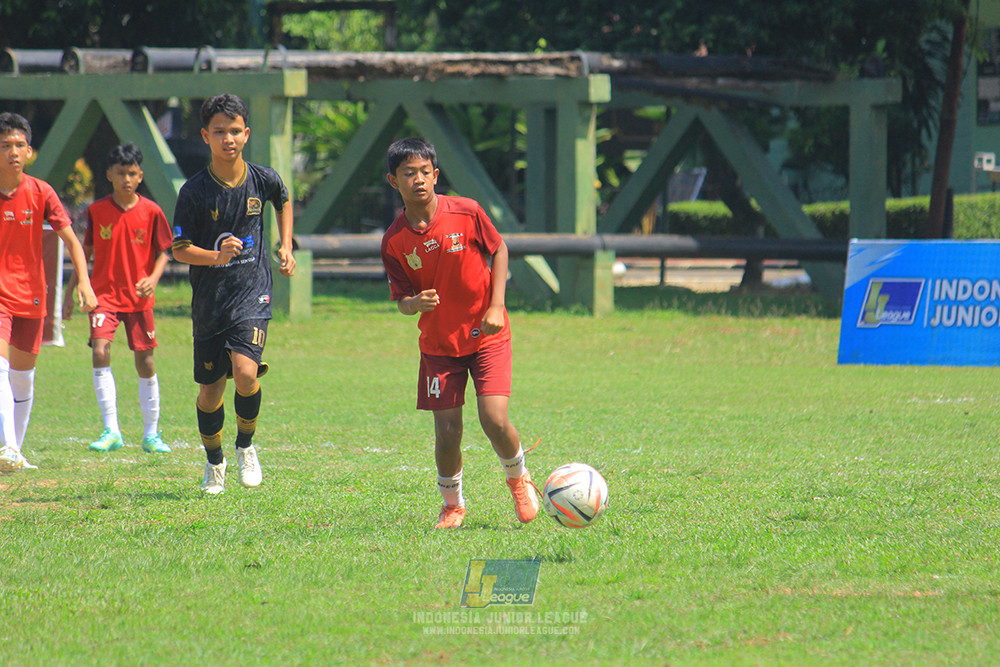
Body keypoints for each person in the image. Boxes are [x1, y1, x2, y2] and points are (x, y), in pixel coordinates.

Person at [380, 137, 538, 529]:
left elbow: (499, 249)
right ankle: (453, 505)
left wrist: (497, 305)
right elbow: (400, 299)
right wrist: (414, 304)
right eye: (407, 174)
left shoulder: (466, 212)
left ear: (435, 175)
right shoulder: (394, 241)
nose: (418, 180)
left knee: (494, 419)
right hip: (438, 346)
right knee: (448, 431)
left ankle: (519, 478)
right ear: (393, 181)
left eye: (424, 172)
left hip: (486, 336)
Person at [171, 94, 295, 494]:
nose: (229, 139)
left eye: (236, 131)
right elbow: (179, 249)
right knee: (210, 393)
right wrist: (215, 255)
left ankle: (246, 446)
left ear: (247, 134)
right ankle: (214, 463)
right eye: (220, 131)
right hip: (210, 301)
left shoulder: (263, 178)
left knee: (245, 372)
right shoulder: (193, 192)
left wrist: (286, 245)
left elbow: (284, 199)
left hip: (252, 293)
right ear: (206, 136)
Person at [0, 111, 98, 472]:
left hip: (31, 294)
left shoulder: (41, 192)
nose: (13, 151)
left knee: (22, 378)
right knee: (0, 366)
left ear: (30, 151)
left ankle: (16, 454)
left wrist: (84, 283)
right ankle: (8, 447)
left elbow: (71, 239)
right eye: (5, 145)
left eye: (19, 145)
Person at [64, 143, 172, 454]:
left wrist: (152, 279)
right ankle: (111, 429)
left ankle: (151, 434)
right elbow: (83, 254)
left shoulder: (152, 211)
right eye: (121, 173)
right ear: (110, 174)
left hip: (138, 299)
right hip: (104, 297)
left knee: (146, 360)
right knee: (100, 351)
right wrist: (70, 293)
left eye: (133, 173)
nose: (127, 179)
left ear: (141, 176)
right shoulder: (97, 211)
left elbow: (166, 250)